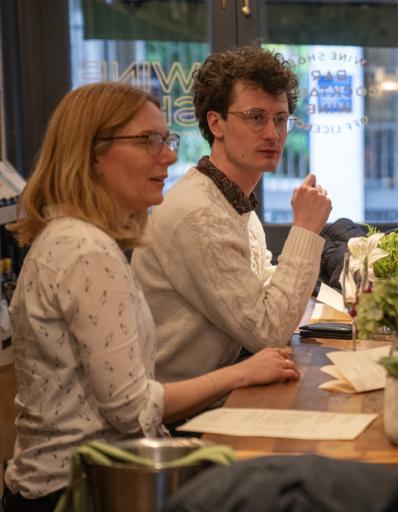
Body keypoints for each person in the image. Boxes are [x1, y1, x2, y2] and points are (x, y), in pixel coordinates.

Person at [2, 82, 299, 511]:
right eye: (149, 141)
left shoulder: (78, 238)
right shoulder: (86, 251)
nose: (170, 155)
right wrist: (241, 374)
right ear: (93, 153)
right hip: (78, 491)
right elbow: (133, 410)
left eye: (167, 139)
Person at [132, 46, 332, 383]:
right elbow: (267, 331)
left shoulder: (228, 196)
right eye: (256, 117)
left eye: (281, 119)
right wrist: (306, 230)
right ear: (216, 122)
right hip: (180, 412)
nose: (273, 134)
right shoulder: (199, 214)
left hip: (223, 388)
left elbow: (256, 285)